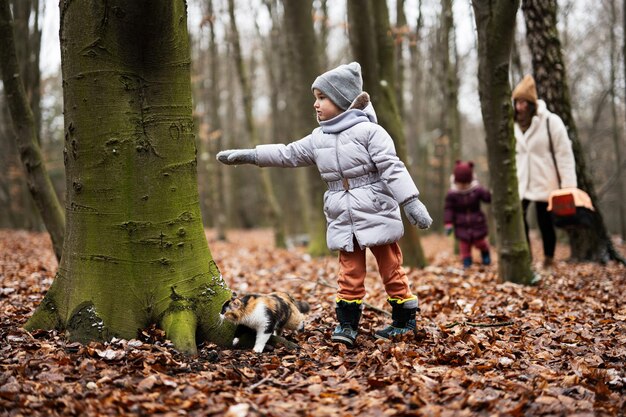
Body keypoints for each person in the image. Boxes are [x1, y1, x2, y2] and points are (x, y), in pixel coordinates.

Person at [216, 62, 432, 347]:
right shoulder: (319, 138)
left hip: (376, 208)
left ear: (342, 100)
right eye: (315, 98)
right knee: (349, 273)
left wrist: (411, 201)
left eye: (322, 98)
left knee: (391, 268)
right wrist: (250, 155)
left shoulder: (371, 132)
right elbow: (288, 153)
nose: (316, 105)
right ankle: (347, 325)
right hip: (342, 214)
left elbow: (392, 167)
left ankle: (404, 321)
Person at [512, 75, 577, 267]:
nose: (519, 107)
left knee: (545, 222)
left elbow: (564, 154)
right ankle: (527, 259)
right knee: (518, 219)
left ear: (531, 104)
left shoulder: (550, 121)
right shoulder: (511, 124)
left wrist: (568, 186)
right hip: (521, 180)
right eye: (517, 102)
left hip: (545, 180)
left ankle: (549, 259)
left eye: (524, 102)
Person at [444, 161, 492, 268]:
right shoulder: (452, 194)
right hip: (461, 224)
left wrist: (491, 194)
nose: (462, 186)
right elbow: (448, 209)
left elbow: (487, 198)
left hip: (477, 222)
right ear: (455, 181)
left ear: (470, 181)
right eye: (460, 184)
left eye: (465, 184)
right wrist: (448, 223)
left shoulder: (477, 190)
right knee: (464, 246)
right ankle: (467, 262)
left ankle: (485, 252)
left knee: (480, 242)